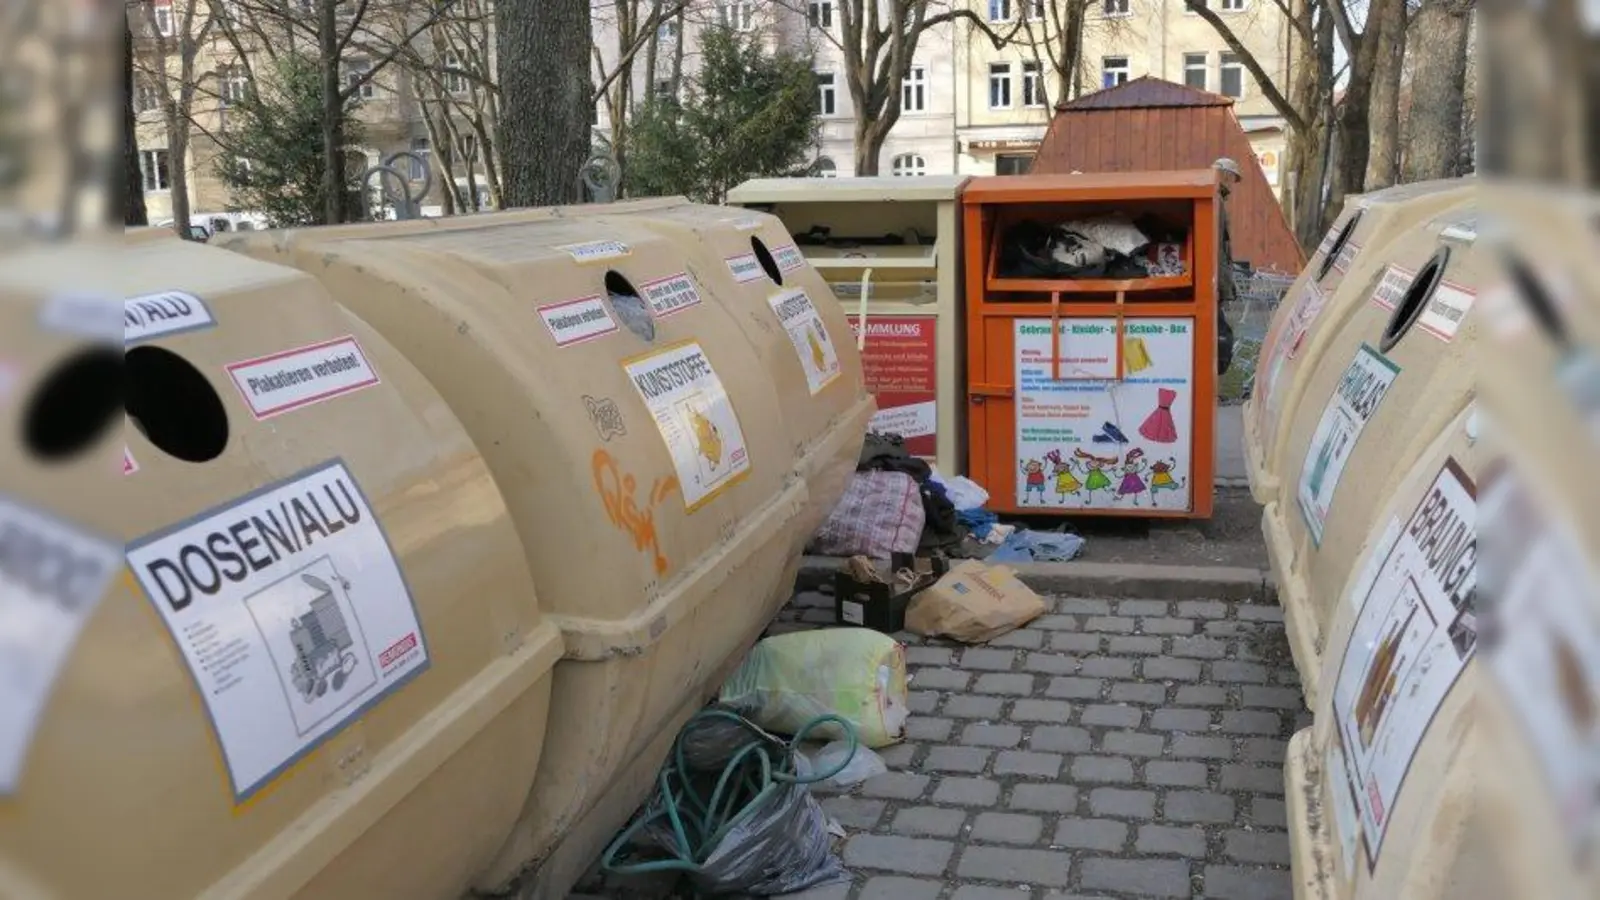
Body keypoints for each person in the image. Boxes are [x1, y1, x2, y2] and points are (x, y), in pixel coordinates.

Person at [1212, 157, 1241, 376]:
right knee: (1218, 333)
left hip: (1216, 279)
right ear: (1223, 174)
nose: (1233, 183)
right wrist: (1224, 287)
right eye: (1232, 177)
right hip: (1215, 281)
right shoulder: (1215, 200)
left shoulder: (1215, 197)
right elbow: (1217, 250)